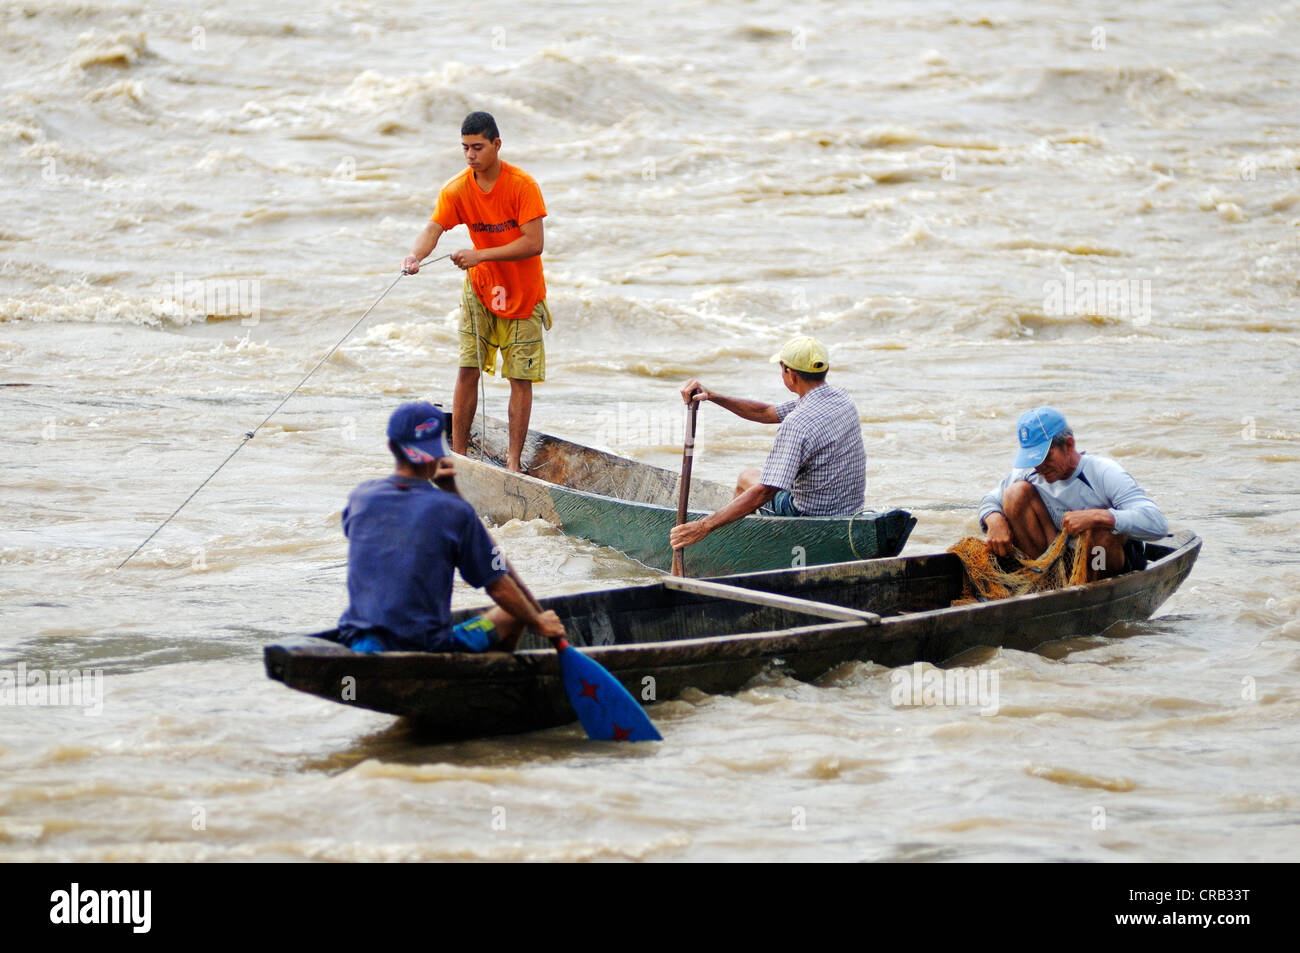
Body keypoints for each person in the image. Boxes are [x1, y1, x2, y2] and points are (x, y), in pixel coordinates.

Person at [336, 401, 566, 653]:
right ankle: (497, 679)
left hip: (359, 641)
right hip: (427, 646)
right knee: (513, 614)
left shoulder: (361, 497)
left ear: (392, 447)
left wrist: (449, 494)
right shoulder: (454, 511)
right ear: (439, 451)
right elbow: (499, 588)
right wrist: (538, 622)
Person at [402, 111, 550, 472]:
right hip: (481, 289)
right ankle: (460, 457)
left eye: (478, 147)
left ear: (496, 145)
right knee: (468, 367)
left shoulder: (521, 185)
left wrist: (479, 254)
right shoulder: (457, 189)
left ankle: (514, 464)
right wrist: (414, 256)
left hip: (523, 293)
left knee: (520, 378)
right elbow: (434, 228)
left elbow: (534, 243)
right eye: (465, 148)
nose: (470, 155)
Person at [669, 336, 866, 553]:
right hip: (848, 509)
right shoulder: (841, 398)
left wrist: (704, 526)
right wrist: (713, 396)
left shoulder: (797, 423)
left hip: (809, 515)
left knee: (747, 478)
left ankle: (736, 548)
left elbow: (765, 492)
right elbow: (765, 412)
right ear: (826, 369)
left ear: (790, 374)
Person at [979, 406, 1168, 576]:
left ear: (1068, 445)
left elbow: (1157, 524)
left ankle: (1094, 587)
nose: (1040, 466)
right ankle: (1043, 577)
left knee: (1100, 533)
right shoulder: (1028, 471)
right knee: (1014, 494)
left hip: (1100, 562)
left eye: (1045, 456)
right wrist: (994, 519)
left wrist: (1098, 516)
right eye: (1033, 459)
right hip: (1058, 558)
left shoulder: (1104, 472)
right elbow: (990, 500)